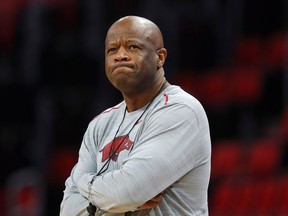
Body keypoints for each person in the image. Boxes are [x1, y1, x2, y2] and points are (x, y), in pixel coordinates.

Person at [60, 15, 211, 216]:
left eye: (133, 47)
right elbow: (67, 210)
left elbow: (127, 193)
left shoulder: (182, 110)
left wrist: (83, 181)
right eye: (112, 50)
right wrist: (117, 200)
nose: (120, 56)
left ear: (160, 57)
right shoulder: (100, 124)